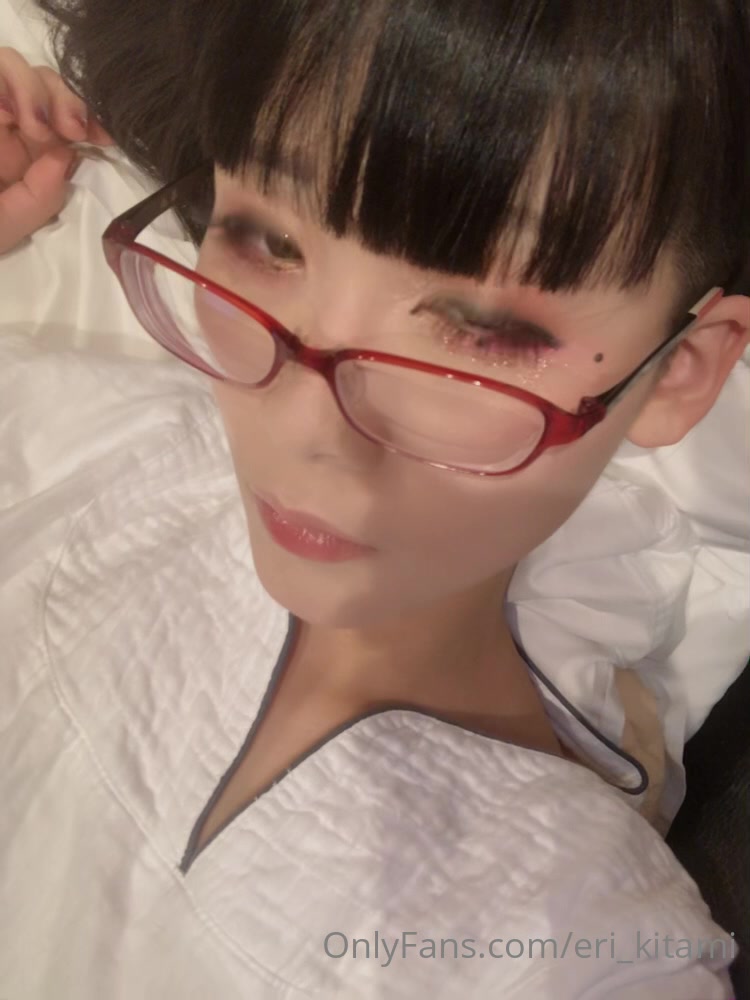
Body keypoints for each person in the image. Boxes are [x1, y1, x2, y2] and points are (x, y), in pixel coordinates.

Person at [1, 1, 748, 997]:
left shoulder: (576, 952)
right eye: (267, 241)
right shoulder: (116, 443)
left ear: (680, 371)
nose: (307, 426)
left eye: (480, 326)